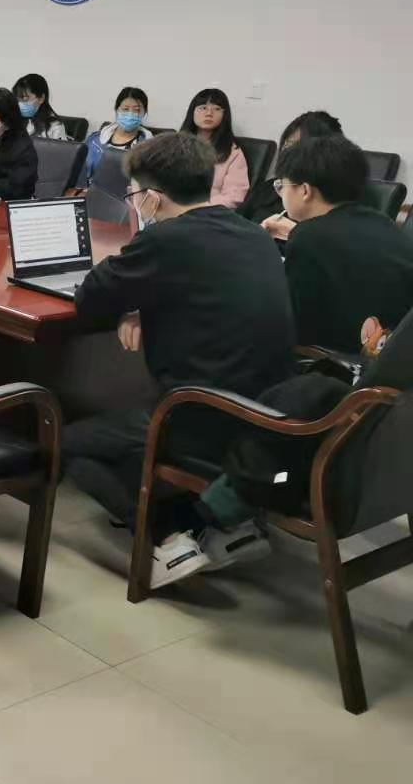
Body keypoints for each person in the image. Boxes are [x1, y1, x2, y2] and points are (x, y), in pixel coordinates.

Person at [64, 133, 294, 587]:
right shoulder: (252, 233)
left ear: (152, 198)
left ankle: (173, 538)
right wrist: (142, 305)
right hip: (270, 411)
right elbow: (202, 293)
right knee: (123, 433)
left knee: (68, 443)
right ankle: (226, 522)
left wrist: (136, 290)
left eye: (134, 194)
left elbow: (90, 298)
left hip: (203, 411)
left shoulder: (167, 239)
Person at [275, 135, 413, 353]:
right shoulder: (380, 220)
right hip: (393, 353)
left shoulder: (308, 237)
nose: (280, 193)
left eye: (281, 185)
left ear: (304, 191)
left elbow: (295, 325)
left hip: (345, 361)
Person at [245, 110, 343, 231]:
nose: (287, 153)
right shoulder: (269, 188)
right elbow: (237, 223)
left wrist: (295, 232)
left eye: (298, 147)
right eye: (287, 145)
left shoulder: (336, 204)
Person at [180, 88, 247, 208]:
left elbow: (234, 195)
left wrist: (197, 207)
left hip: (208, 211)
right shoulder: (174, 145)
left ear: (224, 115)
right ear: (192, 112)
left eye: (217, 109)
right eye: (203, 108)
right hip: (170, 208)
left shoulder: (232, 152)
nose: (209, 113)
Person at [75, 87, 152, 190]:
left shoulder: (149, 148)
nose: (130, 114)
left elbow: (148, 183)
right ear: (117, 110)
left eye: (137, 110)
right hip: (87, 193)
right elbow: (78, 171)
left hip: (124, 197)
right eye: (125, 109)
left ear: (144, 113)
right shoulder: (94, 140)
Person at [13, 73, 68, 140]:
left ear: (41, 98)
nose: (20, 104)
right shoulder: (15, 121)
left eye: (25, 99)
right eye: (18, 99)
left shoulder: (55, 126)